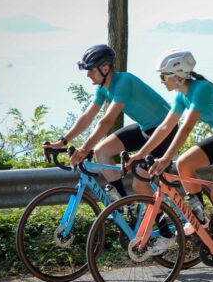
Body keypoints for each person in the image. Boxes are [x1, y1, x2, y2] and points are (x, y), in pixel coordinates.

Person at [126, 50, 213, 268]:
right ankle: (201, 215)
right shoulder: (181, 95)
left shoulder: (201, 90)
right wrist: (140, 154)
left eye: (164, 76)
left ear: (178, 75)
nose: (161, 81)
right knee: (184, 164)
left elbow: (187, 127)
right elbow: (165, 126)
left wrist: (165, 158)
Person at [43, 44, 178, 253]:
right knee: (102, 151)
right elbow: (87, 117)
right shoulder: (103, 88)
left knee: (141, 185)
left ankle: (166, 234)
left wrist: (83, 148)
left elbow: (106, 121)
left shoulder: (124, 81)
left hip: (164, 130)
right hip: (146, 129)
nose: (87, 74)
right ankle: (127, 205)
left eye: (90, 69)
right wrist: (63, 141)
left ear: (105, 67)